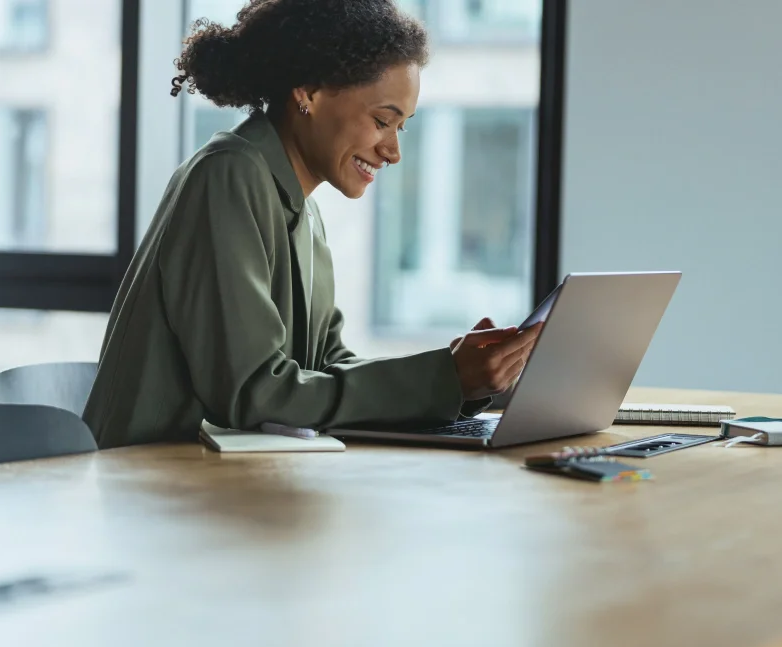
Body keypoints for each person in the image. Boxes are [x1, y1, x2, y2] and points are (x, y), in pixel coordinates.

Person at [83, 0, 541, 448]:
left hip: (229, 487)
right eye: (383, 120)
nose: (393, 151)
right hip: (150, 487)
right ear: (309, 93)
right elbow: (253, 392)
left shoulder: (303, 211)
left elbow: (325, 366)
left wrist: (462, 382)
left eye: (402, 127)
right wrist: (442, 378)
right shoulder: (228, 176)